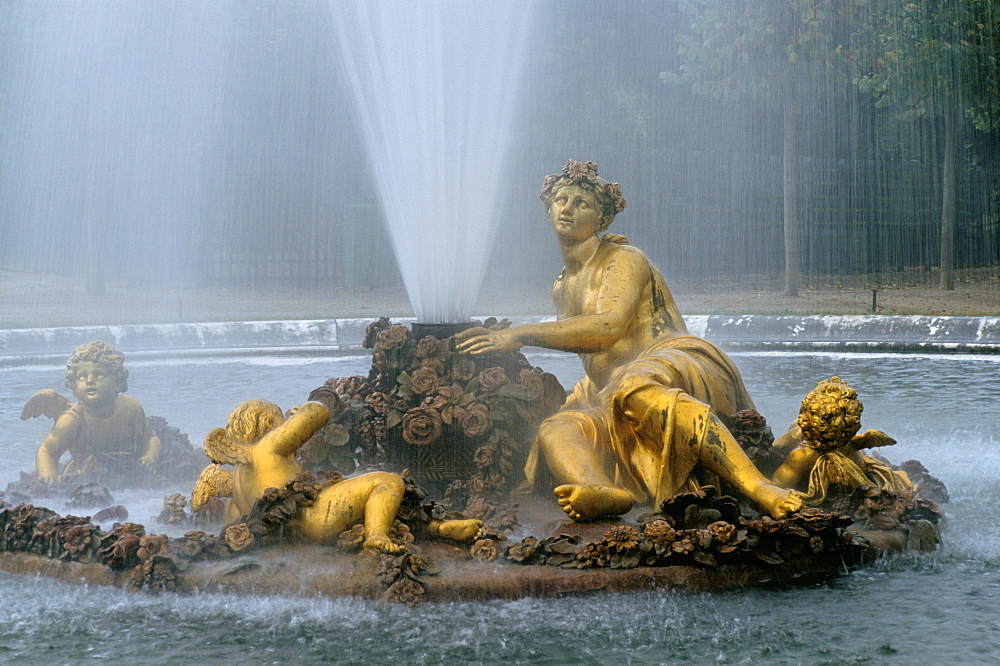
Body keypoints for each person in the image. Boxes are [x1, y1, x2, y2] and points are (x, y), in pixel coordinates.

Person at [456, 160, 801, 521]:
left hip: (673, 362)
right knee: (557, 428)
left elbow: (608, 327)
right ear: (547, 210)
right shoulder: (560, 287)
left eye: (582, 203)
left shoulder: (624, 259)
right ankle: (601, 489)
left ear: (603, 221)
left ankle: (758, 487)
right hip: (609, 389)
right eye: (560, 199)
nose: (568, 208)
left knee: (635, 389)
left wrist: (520, 334)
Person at [192, 399, 482, 553]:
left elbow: (234, 519)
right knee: (387, 482)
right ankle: (377, 537)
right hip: (315, 518)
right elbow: (318, 414)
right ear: (268, 422)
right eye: (278, 418)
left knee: (362, 499)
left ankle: (438, 530)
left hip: (292, 534)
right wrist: (303, 409)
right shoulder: (268, 446)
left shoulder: (236, 477)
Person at [29, 340, 161, 484]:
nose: (90, 381)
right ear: (73, 386)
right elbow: (47, 451)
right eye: (81, 377)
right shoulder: (72, 419)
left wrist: (150, 457)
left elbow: (151, 438)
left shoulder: (131, 407)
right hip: (87, 479)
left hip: (129, 473)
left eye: (99, 375)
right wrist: (49, 474)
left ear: (117, 382)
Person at [771, 377, 915, 505]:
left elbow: (775, 487)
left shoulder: (802, 456)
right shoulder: (851, 442)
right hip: (860, 489)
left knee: (794, 428)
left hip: (832, 498)